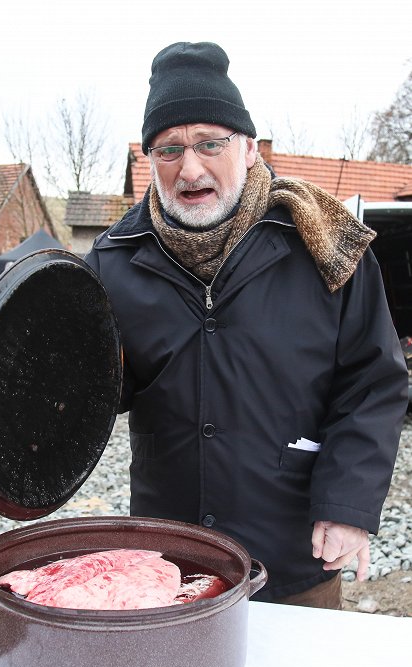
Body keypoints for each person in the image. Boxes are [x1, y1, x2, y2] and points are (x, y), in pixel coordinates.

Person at [85, 41, 408, 608]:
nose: (190, 168)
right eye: (168, 149)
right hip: (172, 559)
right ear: (149, 158)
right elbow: (98, 391)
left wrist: (347, 504)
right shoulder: (112, 261)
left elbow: (373, 382)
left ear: (251, 148)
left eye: (211, 143)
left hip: (292, 553)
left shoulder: (324, 247)